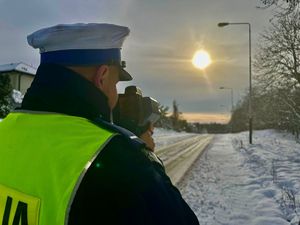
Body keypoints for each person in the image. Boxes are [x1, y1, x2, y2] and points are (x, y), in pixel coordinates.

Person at [0, 23, 199, 225]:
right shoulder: (122, 162)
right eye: (115, 83)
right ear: (102, 77)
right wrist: (143, 159)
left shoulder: (4, 131)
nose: (115, 96)